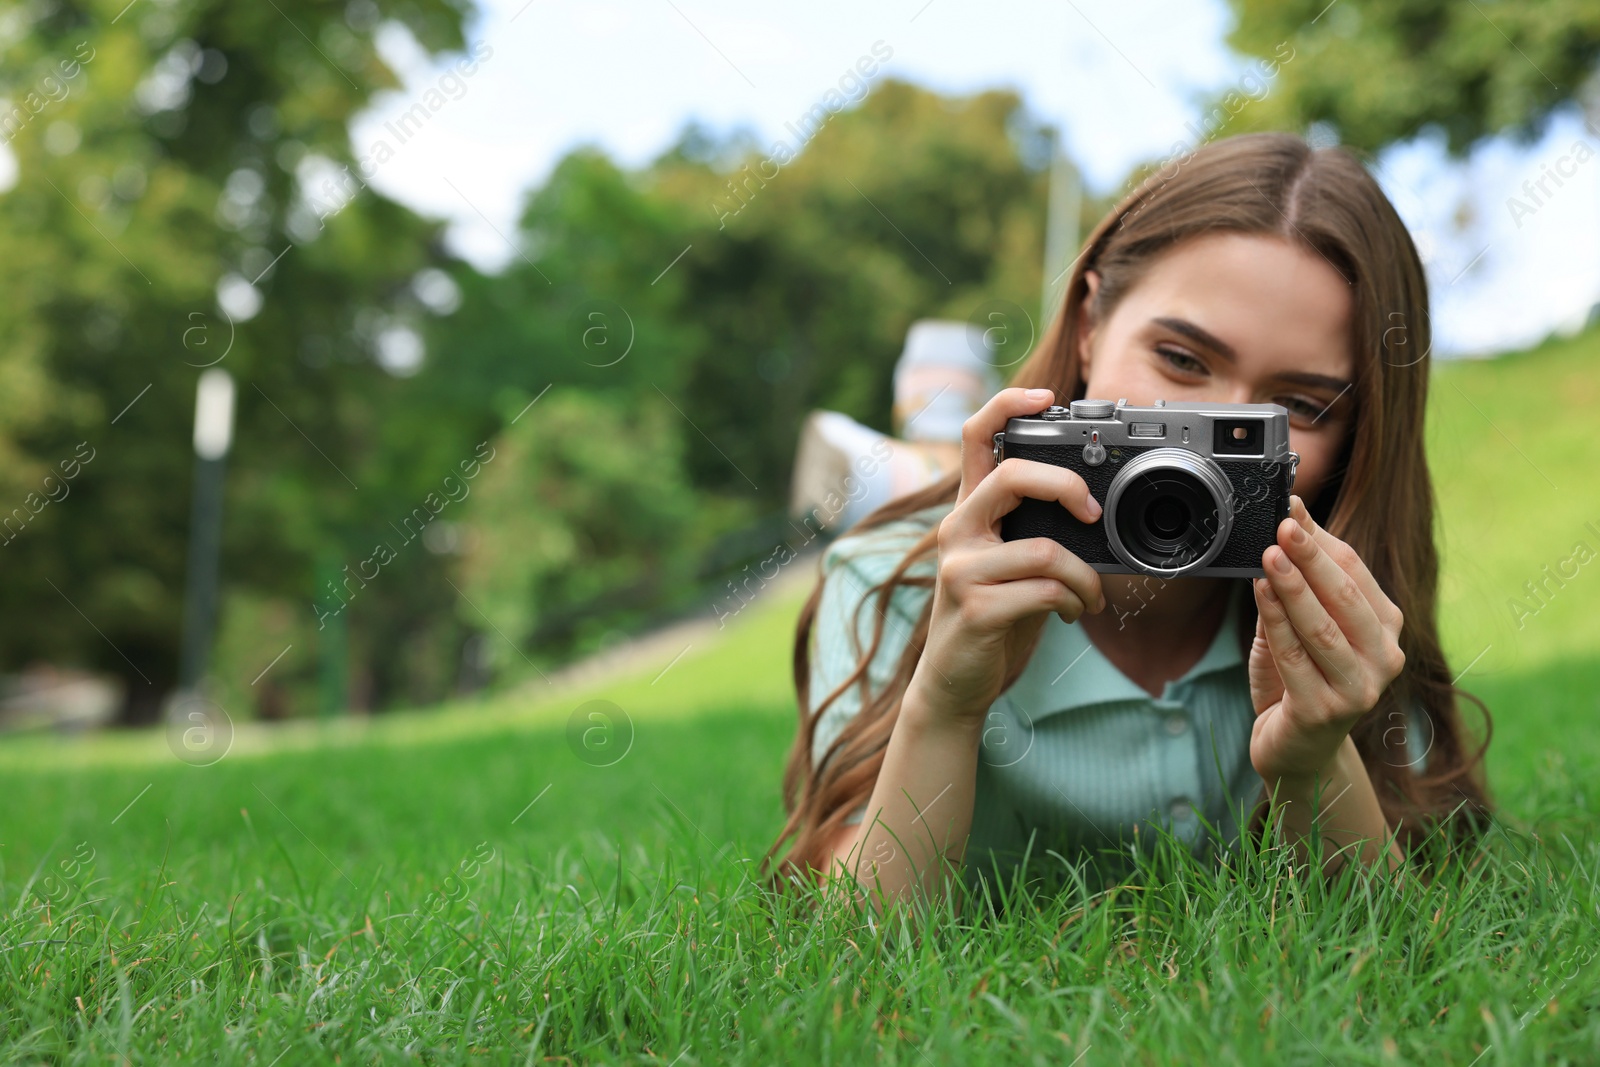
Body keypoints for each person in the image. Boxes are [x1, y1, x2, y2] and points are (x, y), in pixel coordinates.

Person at [762, 132, 1493, 914]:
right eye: (1181, 359)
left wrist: (1315, 755)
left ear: (1358, 437)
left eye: (1301, 406)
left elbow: (1405, 959)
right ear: (1088, 325)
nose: (1217, 427)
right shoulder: (892, 578)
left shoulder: (1341, 619)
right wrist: (945, 700)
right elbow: (846, 952)